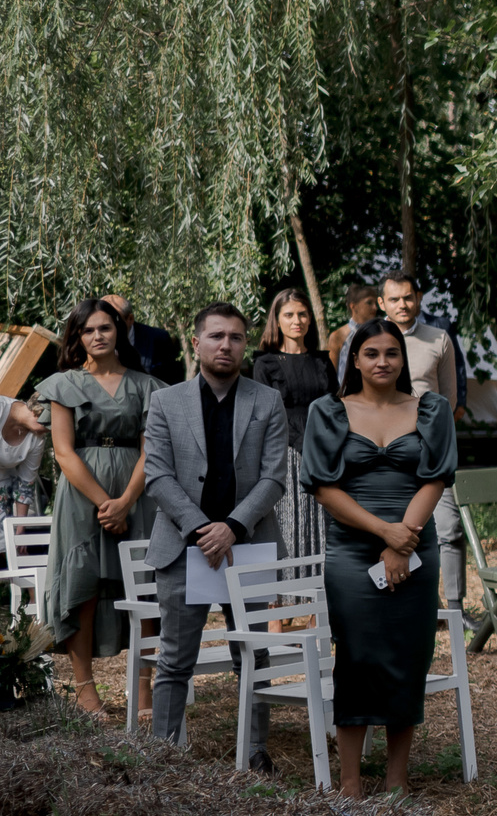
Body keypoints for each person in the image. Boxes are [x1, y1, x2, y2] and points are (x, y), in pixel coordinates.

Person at [304, 320, 457, 796]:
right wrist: (383, 533)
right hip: (352, 550)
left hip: (415, 546)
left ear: (402, 360)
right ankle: (349, 783)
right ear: (354, 359)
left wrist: (402, 540)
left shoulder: (432, 409)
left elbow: (436, 477)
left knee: (407, 655)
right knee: (356, 656)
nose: (383, 361)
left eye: (392, 353)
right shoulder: (327, 411)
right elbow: (325, 490)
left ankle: (397, 778)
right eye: (371, 353)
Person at [142, 304, 287, 763]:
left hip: (249, 546)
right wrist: (205, 529)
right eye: (217, 336)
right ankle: (162, 757)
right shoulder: (165, 401)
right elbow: (158, 477)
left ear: (247, 344)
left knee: (254, 656)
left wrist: (233, 527)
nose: (227, 345)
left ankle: (255, 751)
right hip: (185, 549)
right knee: (174, 662)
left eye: (237, 337)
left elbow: (273, 479)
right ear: (196, 342)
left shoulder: (267, 401)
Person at [38, 299, 162, 715]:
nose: (97, 336)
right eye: (88, 330)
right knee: (84, 587)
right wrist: (105, 504)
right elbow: (63, 451)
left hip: (135, 491)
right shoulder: (63, 384)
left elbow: (152, 451)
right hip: (82, 496)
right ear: (78, 337)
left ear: (119, 331)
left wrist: (125, 501)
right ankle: (85, 689)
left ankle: (143, 686)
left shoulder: (146, 386)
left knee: (143, 588)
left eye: (105, 328)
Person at [369, 274, 466, 609]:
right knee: (390, 528)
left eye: (408, 297)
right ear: (381, 303)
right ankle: (408, 601)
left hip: (430, 451)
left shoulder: (439, 338)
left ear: (419, 298)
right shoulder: (369, 340)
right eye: (394, 299)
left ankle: (454, 607)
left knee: (449, 528)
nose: (402, 305)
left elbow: (450, 399)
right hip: (383, 452)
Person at [251, 288, 338, 562]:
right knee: (291, 520)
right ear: (277, 320)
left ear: (310, 319)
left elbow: (336, 406)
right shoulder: (264, 363)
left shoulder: (323, 362)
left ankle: (321, 590)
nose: (296, 320)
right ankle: (288, 596)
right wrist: (301, 444)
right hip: (286, 452)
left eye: (302, 314)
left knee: (323, 519)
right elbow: (267, 413)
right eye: (288, 315)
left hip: (324, 450)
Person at [102, 295, 185, 386]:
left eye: (115, 320)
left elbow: (173, 380)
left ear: (130, 319)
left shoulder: (158, 339)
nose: (109, 327)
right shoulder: (92, 342)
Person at [0, 395, 42, 517]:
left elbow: (26, 483)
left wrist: (20, 528)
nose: (50, 430)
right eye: (49, 423)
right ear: (38, 411)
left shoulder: (38, 436)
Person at [327, 287, 380, 369]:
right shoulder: (338, 336)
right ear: (353, 306)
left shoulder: (379, 334)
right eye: (369, 303)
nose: (375, 308)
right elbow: (330, 374)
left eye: (375, 303)